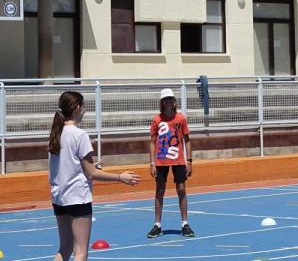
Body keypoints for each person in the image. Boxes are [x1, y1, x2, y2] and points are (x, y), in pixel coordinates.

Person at [49, 90, 140, 261]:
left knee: (64, 249)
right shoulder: (79, 135)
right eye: (84, 106)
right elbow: (90, 173)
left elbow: (66, 165)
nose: (85, 110)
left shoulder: (56, 134)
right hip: (77, 198)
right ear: (77, 108)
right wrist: (120, 177)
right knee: (81, 251)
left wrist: (89, 166)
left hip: (60, 198)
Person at [147, 88, 194, 238]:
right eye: (165, 99)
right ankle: (157, 225)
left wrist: (189, 161)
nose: (168, 102)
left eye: (170, 99)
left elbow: (187, 141)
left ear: (174, 101)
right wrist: (151, 163)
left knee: (181, 189)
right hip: (161, 161)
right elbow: (152, 142)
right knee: (159, 190)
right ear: (162, 102)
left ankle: (185, 224)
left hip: (178, 160)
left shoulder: (180, 119)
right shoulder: (157, 120)